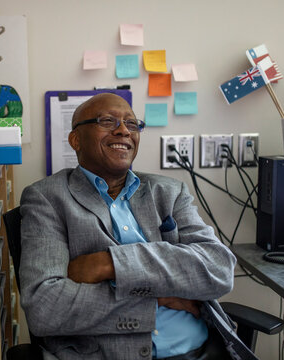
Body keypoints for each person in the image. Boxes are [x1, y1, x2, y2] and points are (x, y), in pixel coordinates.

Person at [19, 93, 252, 360]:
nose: (122, 131)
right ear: (75, 140)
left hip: (203, 351)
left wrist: (110, 264)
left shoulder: (169, 192)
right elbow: (45, 307)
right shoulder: (47, 198)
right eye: (107, 121)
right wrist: (159, 298)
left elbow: (219, 267)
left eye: (132, 124)